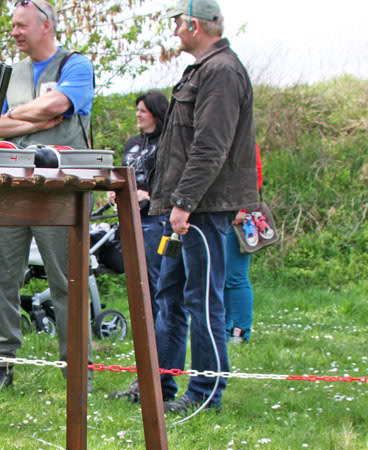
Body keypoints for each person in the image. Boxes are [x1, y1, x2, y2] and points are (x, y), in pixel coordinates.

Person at [0, 0, 95, 391]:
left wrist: (16, 115)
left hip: (61, 189)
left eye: (21, 25)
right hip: (7, 188)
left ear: (45, 26)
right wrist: (39, 118)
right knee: (1, 280)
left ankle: (77, 371)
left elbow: (61, 103)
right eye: (13, 25)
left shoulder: (75, 66)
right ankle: (0, 364)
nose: (14, 32)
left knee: (68, 281)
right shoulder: (8, 73)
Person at [150, 0, 258, 413]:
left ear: (194, 24)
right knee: (169, 295)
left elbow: (211, 147)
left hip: (201, 210)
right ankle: (159, 387)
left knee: (202, 300)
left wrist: (183, 203)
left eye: (178, 22)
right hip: (186, 209)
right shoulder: (203, 69)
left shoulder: (221, 72)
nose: (175, 30)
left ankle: (205, 393)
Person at [107, 90, 170, 403]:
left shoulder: (168, 143)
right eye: (137, 110)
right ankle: (145, 378)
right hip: (129, 221)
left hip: (156, 222)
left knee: (156, 295)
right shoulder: (133, 143)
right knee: (138, 295)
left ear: (157, 112)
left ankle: (159, 378)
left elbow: (171, 182)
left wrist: (150, 196)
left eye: (144, 110)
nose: (138, 114)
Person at [224, 143, 262, 344]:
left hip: (238, 217)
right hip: (218, 212)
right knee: (220, 276)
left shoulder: (243, 135)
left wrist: (243, 208)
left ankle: (240, 331)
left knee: (235, 276)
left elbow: (255, 174)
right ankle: (222, 329)